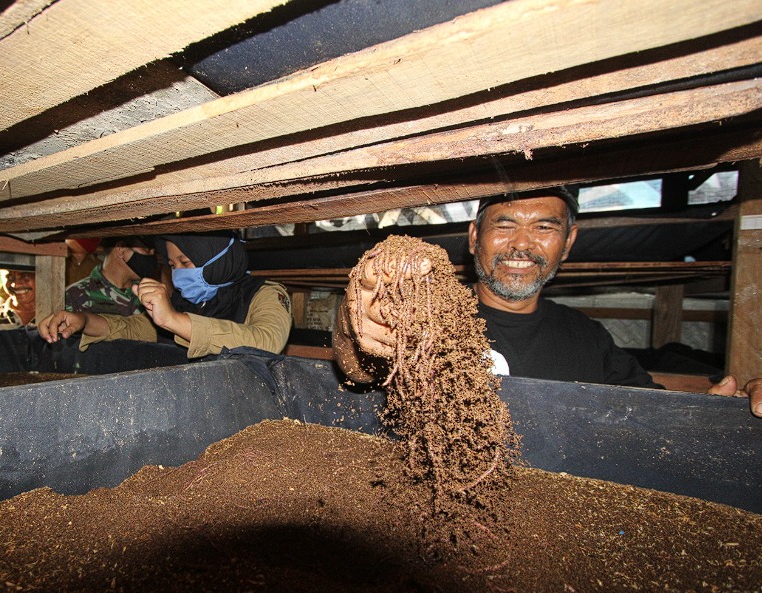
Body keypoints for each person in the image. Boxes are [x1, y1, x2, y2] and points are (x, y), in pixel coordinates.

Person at [333, 186, 762, 417]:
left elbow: (654, 416)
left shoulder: (589, 338)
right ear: (473, 237)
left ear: (568, 241)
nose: (521, 244)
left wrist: (723, 411)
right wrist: (352, 325)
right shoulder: (428, 314)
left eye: (544, 227)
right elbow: (359, 364)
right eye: (504, 224)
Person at [39, 231, 292, 359]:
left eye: (185, 261)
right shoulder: (185, 302)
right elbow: (131, 329)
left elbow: (267, 341)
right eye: (172, 266)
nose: (179, 274)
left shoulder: (265, 293)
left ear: (217, 258)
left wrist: (172, 319)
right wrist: (83, 321)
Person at [65, 237, 160, 317]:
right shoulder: (73, 297)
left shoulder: (153, 294)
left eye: (154, 252)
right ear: (120, 249)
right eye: (147, 250)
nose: (151, 258)